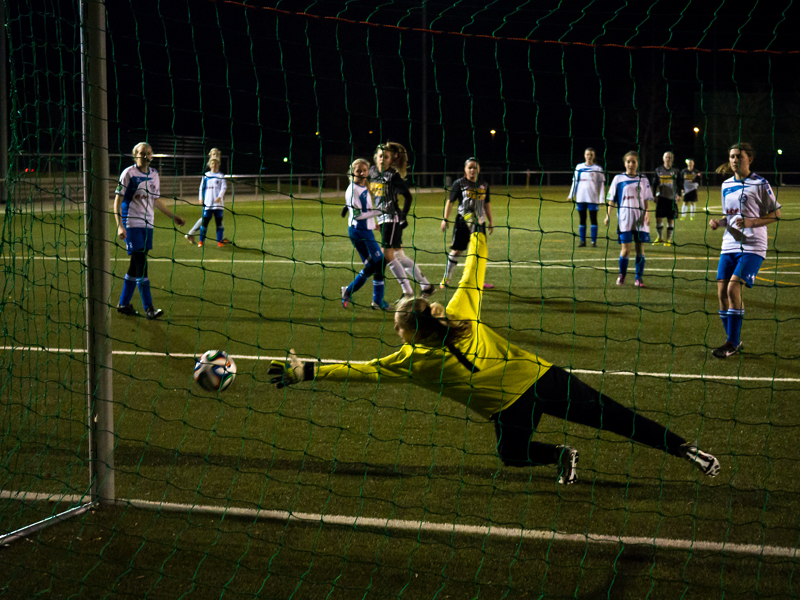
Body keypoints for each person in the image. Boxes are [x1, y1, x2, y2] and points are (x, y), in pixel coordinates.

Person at [269, 229, 721, 485]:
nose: (394, 329)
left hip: (517, 400)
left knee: (520, 450)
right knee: (609, 417)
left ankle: (674, 448)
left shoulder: (410, 360)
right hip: (542, 379)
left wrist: (306, 371)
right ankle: (680, 449)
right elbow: (474, 268)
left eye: (397, 325)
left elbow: (360, 372)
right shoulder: (458, 311)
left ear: (409, 330)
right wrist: (476, 232)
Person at [708, 142, 780, 359]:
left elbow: (775, 214)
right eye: (731, 156)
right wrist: (719, 223)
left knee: (732, 289)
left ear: (750, 159)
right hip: (729, 244)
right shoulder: (726, 185)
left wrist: (751, 223)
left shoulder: (760, 183)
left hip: (753, 246)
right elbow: (730, 217)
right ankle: (733, 338)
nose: (734, 160)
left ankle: (731, 343)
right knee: (721, 294)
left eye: (739, 156)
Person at [114, 142, 185, 319]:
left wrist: (173, 216)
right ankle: (149, 308)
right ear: (135, 155)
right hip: (132, 223)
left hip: (148, 225)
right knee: (141, 264)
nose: (146, 155)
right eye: (142, 152)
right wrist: (119, 225)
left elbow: (156, 200)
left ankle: (123, 303)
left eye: (149, 152)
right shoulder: (128, 173)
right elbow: (118, 200)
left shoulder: (154, 174)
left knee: (135, 265)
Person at [370, 142, 435, 304]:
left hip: (392, 218)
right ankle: (426, 286)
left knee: (387, 255)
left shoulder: (392, 176)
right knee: (398, 255)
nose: (382, 159)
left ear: (390, 160)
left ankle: (407, 292)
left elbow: (408, 196)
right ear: (375, 157)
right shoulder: (371, 172)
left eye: (385, 157)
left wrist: (403, 216)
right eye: (380, 156)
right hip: (382, 218)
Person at [340, 158, 390, 310]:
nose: (361, 173)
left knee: (371, 267)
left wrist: (373, 224)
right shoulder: (352, 190)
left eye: (364, 170)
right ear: (352, 173)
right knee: (380, 263)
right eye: (358, 171)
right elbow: (358, 215)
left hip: (364, 229)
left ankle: (348, 291)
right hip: (359, 232)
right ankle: (377, 301)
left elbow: (364, 210)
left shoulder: (363, 187)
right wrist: (380, 211)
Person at [440, 157, 495, 289]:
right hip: (463, 221)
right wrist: (445, 218)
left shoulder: (484, 185)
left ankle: (478, 280)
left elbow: (487, 203)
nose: (472, 170)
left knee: (478, 252)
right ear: (465, 170)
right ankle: (446, 278)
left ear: (479, 170)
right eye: (469, 167)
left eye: (475, 167)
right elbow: (450, 201)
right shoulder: (459, 183)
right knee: (457, 251)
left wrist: (491, 220)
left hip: (479, 222)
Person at [604, 151, 654, 287]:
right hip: (625, 220)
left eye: (633, 161)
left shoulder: (643, 179)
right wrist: (608, 215)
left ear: (637, 163)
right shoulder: (618, 179)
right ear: (624, 163)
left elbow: (646, 199)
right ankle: (622, 275)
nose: (631, 164)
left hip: (640, 219)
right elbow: (612, 200)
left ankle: (639, 279)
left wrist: (647, 214)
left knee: (640, 249)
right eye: (628, 162)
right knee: (626, 250)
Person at [185, 148, 230, 247]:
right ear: (210, 155)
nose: (215, 155)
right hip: (209, 200)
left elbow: (222, 185)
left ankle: (220, 238)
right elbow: (203, 186)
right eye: (213, 154)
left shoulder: (218, 169)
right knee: (206, 218)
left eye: (217, 154)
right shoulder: (207, 171)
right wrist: (201, 198)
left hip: (216, 200)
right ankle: (191, 233)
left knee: (213, 218)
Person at [567, 147, 605, 248]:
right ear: (584, 155)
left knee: (593, 219)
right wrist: (571, 195)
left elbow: (601, 185)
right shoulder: (579, 167)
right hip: (581, 198)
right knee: (582, 219)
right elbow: (574, 182)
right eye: (587, 154)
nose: (589, 157)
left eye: (591, 155)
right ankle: (582, 241)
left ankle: (593, 242)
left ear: (594, 156)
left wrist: (602, 199)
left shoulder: (598, 169)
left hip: (592, 199)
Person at [651, 151, 683, 246]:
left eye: (670, 157)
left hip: (671, 199)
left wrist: (678, 195)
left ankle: (668, 240)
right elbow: (655, 183)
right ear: (663, 158)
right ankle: (660, 237)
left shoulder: (676, 171)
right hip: (661, 197)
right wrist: (654, 195)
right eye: (666, 157)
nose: (668, 159)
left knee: (670, 219)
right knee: (658, 218)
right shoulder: (658, 170)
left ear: (672, 159)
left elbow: (679, 184)